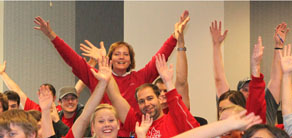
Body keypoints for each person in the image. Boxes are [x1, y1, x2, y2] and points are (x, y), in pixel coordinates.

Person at [33, 11, 185, 112]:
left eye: (125, 54)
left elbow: (160, 57)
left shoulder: (140, 77)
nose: (121, 57)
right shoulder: (97, 76)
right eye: (117, 54)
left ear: (131, 60)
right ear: (110, 58)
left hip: (133, 137)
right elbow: (73, 60)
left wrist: (174, 36)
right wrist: (52, 35)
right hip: (102, 134)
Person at [42, 56, 154, 138]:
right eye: (101, 121)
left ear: (118, 125)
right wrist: (45, 112)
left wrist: (141, 136)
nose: (107, 124)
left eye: (111, 120)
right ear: (93, 127)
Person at [210, 21, 286, 125]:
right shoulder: (229, 104)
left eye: (252, 89)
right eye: (245, 90)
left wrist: (278, 46)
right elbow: (219, 80)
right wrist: (216, 46)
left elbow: (276, 78)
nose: (250, 93)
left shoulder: (268, 107)